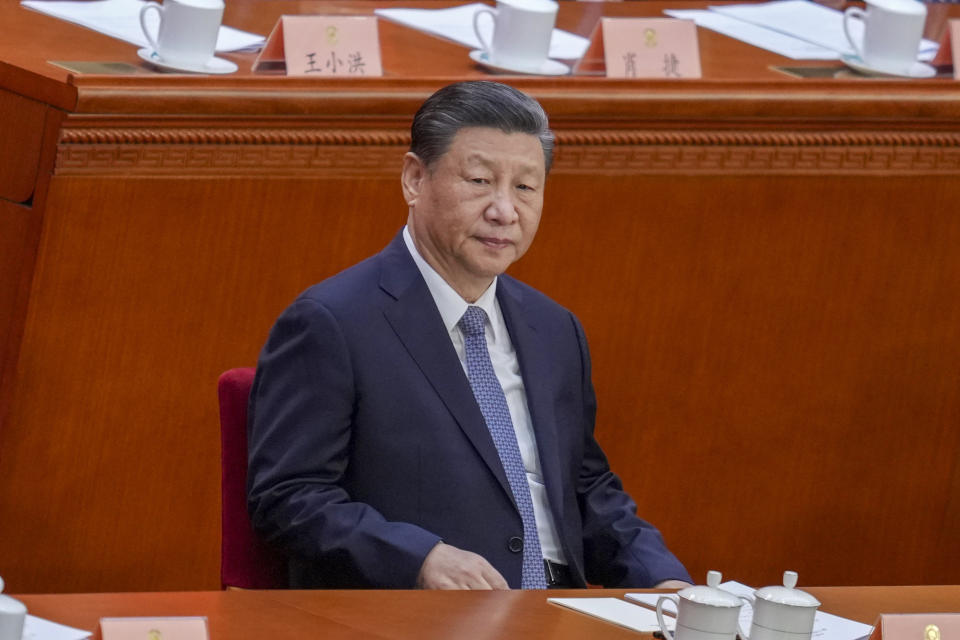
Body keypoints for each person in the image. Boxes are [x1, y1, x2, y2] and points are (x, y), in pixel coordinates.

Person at [247, 81, 691, 590]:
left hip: (556, 611)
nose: (505, 210)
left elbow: (585, 486)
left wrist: (661, 580)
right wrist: (420, 559)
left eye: (525, 187)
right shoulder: (333, 321)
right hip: (420, 615)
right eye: (480, 180)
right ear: (415, 179)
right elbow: (289, 496)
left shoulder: (554, 327)